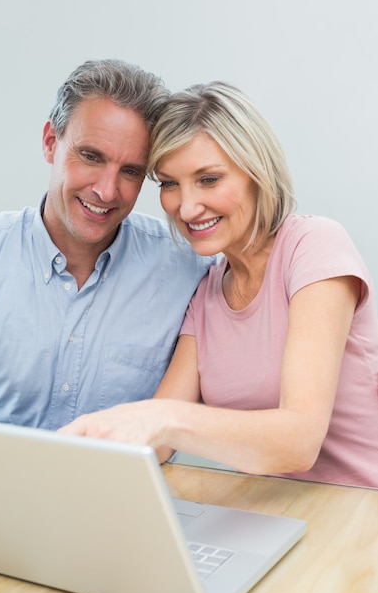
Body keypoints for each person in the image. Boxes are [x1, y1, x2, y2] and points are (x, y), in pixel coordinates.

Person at [59, 80, 378, 489]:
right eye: (170, 183)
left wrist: (163, 421)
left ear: (256, 173)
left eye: (208, 179)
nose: (187, 207)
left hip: (360, 515)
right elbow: (150, 446)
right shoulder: (207, 292)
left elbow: (299, 440)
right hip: (276, 518)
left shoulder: (313, 247)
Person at [0, 61, 214, 555]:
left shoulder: (190, 269)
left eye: (131, 172)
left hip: (132, 531)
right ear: (50, 142)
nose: (106, 190)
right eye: (91, 156)